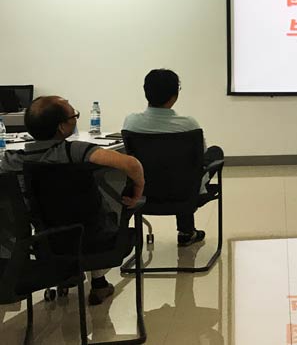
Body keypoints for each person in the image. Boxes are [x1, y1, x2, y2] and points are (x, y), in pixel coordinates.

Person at [0, 96, 145, 306]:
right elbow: (131, 164)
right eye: (74, 116)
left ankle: (70, 276)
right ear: (62, 127)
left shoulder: (11, 160)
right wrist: (138, 190)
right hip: (93, 240)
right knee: (97, 213)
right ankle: (98, 282)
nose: (76, 118)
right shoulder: (75, 151)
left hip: (42, 242)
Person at [122, 69, 224, 247]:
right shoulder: (189, 125)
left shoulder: (131, 123)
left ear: (146, 92)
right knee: (214, 153)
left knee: (168, 168)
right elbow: (199, 159)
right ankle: (186, 231)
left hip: (143, 193)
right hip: (185, 194)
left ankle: (185, 231)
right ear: (174, 96)